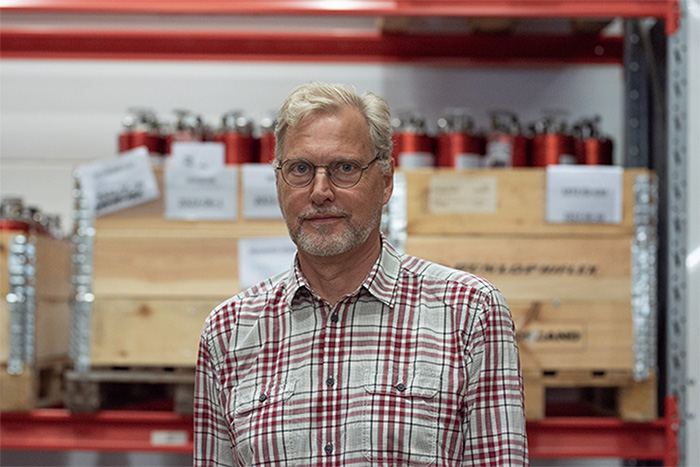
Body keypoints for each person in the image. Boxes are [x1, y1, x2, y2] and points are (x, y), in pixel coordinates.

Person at [194, 81, 528, 466]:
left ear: (385, 182)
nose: (320, 190)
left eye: (345, 168)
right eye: (300, 169)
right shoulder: (228, 331)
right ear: (278, 183)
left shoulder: (469, 313)